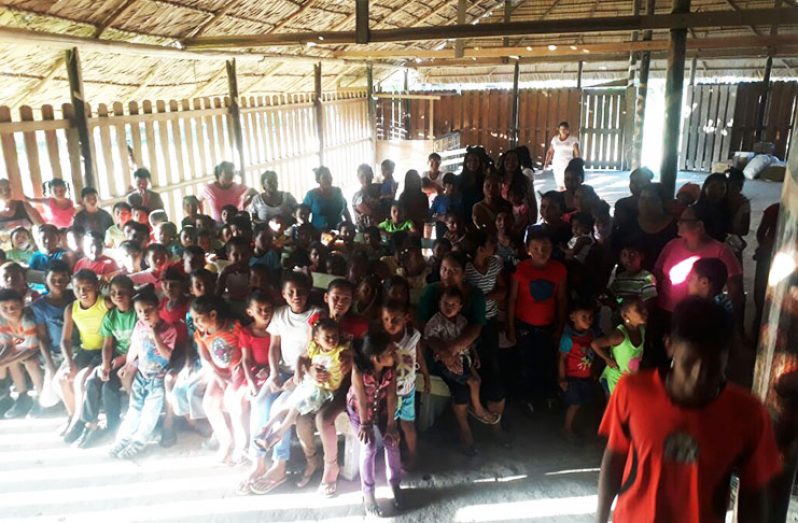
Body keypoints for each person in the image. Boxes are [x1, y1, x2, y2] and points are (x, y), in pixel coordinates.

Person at [597, 297, 781, 523]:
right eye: (688, 362)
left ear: (728, 357)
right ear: (670, 346)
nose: (698, 377)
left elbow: (754, 494)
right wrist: (601, 518)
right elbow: (615, 456)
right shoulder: (632, 392)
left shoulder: (749, 413)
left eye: (712, 366)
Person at [257, 272, 321, 494]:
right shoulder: (280, 314)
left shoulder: (315, 315)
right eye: (291, 292)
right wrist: (274, 373)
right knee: (259, 401)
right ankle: (257, 459)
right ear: (283, 295)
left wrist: (297, 377)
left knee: (279, 408)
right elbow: (274, 346)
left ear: (308, 292)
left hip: (302, 376)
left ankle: (279, 463)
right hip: (282, 370)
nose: (296, 296)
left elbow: (312, 350)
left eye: (301, 292)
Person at [417, 252, 487, 454]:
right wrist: (445, 354)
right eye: (444, 270)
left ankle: (467, 428)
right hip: (435, 354)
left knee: (468, 384)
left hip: (461, 352)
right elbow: (425, 331)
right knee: (464, 385)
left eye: (454, 271)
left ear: (463, 274)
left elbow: (475, 328)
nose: (448, 275)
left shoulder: (474, 294)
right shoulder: (432, 292)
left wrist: (454, 351)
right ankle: (466, 430)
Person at [255, 319, 351, 451]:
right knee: (288, 404)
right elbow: (301, 358)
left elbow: (352, 354)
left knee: (296, 407)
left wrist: (350, 358)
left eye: (335, 336)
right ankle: (267, 426)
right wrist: (299, 372)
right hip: (308, 384)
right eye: (327, 337)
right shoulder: (315, 349)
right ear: (317, 339)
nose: (331, 340)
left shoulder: (340, 352)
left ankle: (278, 434)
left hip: (323, 391)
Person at [109, 290, 177, 459]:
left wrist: (155, 335)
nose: (144, 314)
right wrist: (128, 363)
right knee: (134, 409)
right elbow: (135, 347)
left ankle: (139, 441)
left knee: (150, 412)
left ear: (158, 308)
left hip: (158, 379)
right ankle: (122, 439)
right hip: (142, 376)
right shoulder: (139, 326)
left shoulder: (169, 330)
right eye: (140, 311)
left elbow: (167, 355)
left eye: (148, 310)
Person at [654, 205, 744, 332]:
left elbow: (735, 291)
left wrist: (736, 327)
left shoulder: (721, 251)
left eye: (683, 220)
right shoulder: (672, 245)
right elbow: (657, 274)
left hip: (702, 316)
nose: (678, 223)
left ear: (699, 226)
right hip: (668, 311)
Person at [506, 228, 567, 413]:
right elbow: (513, 299)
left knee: (547, 362)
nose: (542, 251)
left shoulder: (559, 269)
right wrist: (510, 327)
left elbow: (562, 299)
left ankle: (548, 395)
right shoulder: (521, 269)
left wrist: (560, 327)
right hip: (524, 326)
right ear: (528, 249)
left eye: (545, 247)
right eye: (537, 247)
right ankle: (527, 398)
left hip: (548, 326)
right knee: (527, 363)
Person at [72, 275, 136, 448]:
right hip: (116, 356)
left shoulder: (138, 312)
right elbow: (107, 344)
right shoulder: (111, 315)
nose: (117, 296)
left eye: (122, 292)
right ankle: (90, 425)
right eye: (114, 292)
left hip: (135, 357)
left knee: (109, 386)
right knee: (93, 380)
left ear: (132, 292)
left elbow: (143, 343)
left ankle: (113, 424)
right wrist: (106, 364)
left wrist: (123, 359)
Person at [425, 286, 499, 425]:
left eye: (453, 305)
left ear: (460, 307)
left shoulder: (462, 321)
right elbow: (429, 339)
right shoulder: (436, 321)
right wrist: (445, 355)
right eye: (445, 303)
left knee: (477, 378)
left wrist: (475, 354)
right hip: (445, 361)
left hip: (464, 357)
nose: (449, 307)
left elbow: (469, 341)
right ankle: (478, 409)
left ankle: (473, 405)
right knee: (474, 382)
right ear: (439, 303)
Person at [348, 331, 403, 517]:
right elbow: (361, 401)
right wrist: (365, 425)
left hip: (380, 407)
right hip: (360, 412)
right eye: (390, 351)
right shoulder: (359, 372)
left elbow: (392, 396)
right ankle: (368, 492)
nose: (395, 353)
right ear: (376, 357)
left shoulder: (390, 368)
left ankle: (395, 484)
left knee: (392, 442)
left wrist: (391, 424)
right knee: (369, 446)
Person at [192, 295, 248, 464]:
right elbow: (204, 354)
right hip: (218, 373)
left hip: (239, 373)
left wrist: (237, 374)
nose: (195, 323)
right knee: (209, 403)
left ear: (213, 315)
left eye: (198, 319)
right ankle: (225, 442)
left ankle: (241, 446)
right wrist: (215, 373)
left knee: (234, 406)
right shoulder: (201, 333)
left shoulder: (233, 327)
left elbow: (246, 349)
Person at [59, 270, 110, 441]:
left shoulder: (105, 303)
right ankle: (74, 416)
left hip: (102, 351)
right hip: (84, 351)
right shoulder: (71, 309)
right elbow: (65, 340)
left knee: (80, 380)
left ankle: (80, 421)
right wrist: (69, 361)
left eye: (87, 287)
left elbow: (125, 303)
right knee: (62, 380)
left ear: (96, 286)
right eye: (77, 288)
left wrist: (108, 289)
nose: (82, 292)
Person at [464, 232, 507, 428]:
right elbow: (466, 299)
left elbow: (502, 290)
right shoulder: (467, 270)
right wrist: (485, 299)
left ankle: (492, 414)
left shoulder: (494, 264)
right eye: (491, 243)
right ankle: (479, 409)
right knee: (477, 364)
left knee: (493, 363)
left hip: (489, 320)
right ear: (481, 248)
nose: (495, 247)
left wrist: (484, 298)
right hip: (472, 323)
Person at [381, 299, 428, 470]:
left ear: (406, 318)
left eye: (395, 319)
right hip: (389, 394)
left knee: (407, 425)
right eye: (386, 319)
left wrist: (427, 377)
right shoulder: (383, 342)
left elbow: (420, 357)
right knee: (389, 425)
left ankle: (414, 455)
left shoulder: (414, 337)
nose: (390, 324)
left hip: (408, 391)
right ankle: (393, 461)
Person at [236, 291, 275, 493]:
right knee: (257, 403)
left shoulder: (277, 329)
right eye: (259, 309)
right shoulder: (246, 332)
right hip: (256, 375)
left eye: (268, 309)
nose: (264, 312)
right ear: (250, 311)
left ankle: (263, 460)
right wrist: (251, 382)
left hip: (276, 375)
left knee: (266, 405)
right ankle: (257, 458)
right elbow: (246, 360)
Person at [612, 182, 678, 272]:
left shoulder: (675, 227)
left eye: (651, 199)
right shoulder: (629, 224)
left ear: (663, 202)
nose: (645, 203)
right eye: (642, 199)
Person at [592, 297, 648, 395]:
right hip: (614, 380)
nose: (645, 311)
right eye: (639, 309)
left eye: (644, 308)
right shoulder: (619, 335)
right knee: (614, 409)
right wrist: (607, 359)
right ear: (626, 316)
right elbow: (595, 344)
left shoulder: (642, 330)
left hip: (628, 380)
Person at [558, 300, 596, 441]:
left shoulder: (591, 334)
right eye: (584, 317)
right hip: (573, 377)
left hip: (586, 375)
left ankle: (575, 426)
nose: (588, 321)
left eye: (590, 317)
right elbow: (562, 359)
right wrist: (561, 378)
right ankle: (566, 429)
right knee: (574, 404)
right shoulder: (568, 338)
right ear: (573, 317)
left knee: (582, 402)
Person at [0, 289, 41, 418]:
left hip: (40, 345)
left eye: (14, 307)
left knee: (31, 363)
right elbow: (8, 344)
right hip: (22, 343)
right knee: (10, 360)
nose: (10, 311)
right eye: (4, 308)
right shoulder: (3, 321)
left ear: (22, 305)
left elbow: (32, 348)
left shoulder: (27, 319)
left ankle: (40, 399)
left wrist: (6, 361)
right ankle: (22, 397)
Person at [303, 166, 351, 230]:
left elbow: (345, 210)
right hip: (319, 234)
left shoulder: (337, 192)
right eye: (324, 178)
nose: (328, 179)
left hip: (339, 232)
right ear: (318, 180)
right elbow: (303, 215)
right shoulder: (311, 195)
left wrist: (351, 225)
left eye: (329, 176)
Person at [612, 167, 654, 239]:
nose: (635, 185)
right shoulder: (621, 204)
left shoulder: (656, 203)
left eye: (640, 182)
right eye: (632, 181)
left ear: (649, 183)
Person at [693, 172, 730, 243]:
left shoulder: (725, 210)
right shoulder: (693, 211)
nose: (717, 191)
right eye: (713, 187)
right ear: (705, 187)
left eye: (722, 188)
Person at [544, 121, 581, 190]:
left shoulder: (573, 139)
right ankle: (560, 196)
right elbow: (550, 151)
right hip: (557, 163)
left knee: (566, 182)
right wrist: (546, 162)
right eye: (561, 129)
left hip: (567, 163)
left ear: (568, 130)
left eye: (564, 129)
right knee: (559, 183)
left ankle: (566, 197)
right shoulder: (555, 139)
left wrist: (577, 163)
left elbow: (576, 152)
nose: (562, 131)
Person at [351, 164, 380, 229]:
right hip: (366, 232)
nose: (366, 179)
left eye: (368, 175)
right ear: (358, 178)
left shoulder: (381, 189)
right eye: (362, 176)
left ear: (372, 175)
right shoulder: (357, 197)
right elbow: (368, 212)